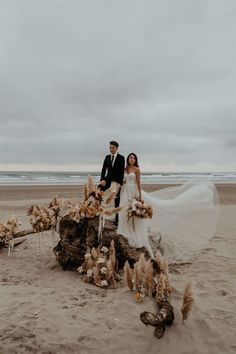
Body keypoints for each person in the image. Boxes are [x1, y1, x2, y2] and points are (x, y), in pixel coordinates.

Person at [117, 153, 219, 262]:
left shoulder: (137, 169)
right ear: (128, 159)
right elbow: (123, 180)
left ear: (135, 160)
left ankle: (136, 235)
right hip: (125, 192)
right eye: (130, 158)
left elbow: (138, 183)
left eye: (133, 158)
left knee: (135, 214)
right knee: (124, 211)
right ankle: (126, 232)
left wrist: (140, 197)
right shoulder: (125, 169)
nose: (131, 159)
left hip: (134, 192)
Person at [98, 141, 125, 225]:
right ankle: (97, 214)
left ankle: (117, 220)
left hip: (116, 182)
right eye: (110, 147)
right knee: (97, 192)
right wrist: (102, 180)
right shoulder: (107, 157)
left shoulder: (121, 158)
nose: (111, 149)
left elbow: (121, 171)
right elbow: (103, 169)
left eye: (113, 148)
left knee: (117, 200)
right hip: (107, 180)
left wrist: (119, 183)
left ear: (116, 148)